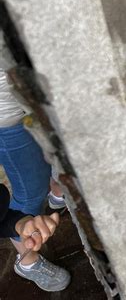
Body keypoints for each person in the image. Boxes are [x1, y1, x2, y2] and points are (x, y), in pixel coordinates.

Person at [0, 26, 70, 292]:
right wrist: (21, 221)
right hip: (8, 109)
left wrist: (19, 222)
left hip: (23, 76)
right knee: (30, 191)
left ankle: (54, 190)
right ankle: (27, 259)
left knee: (46, 150)